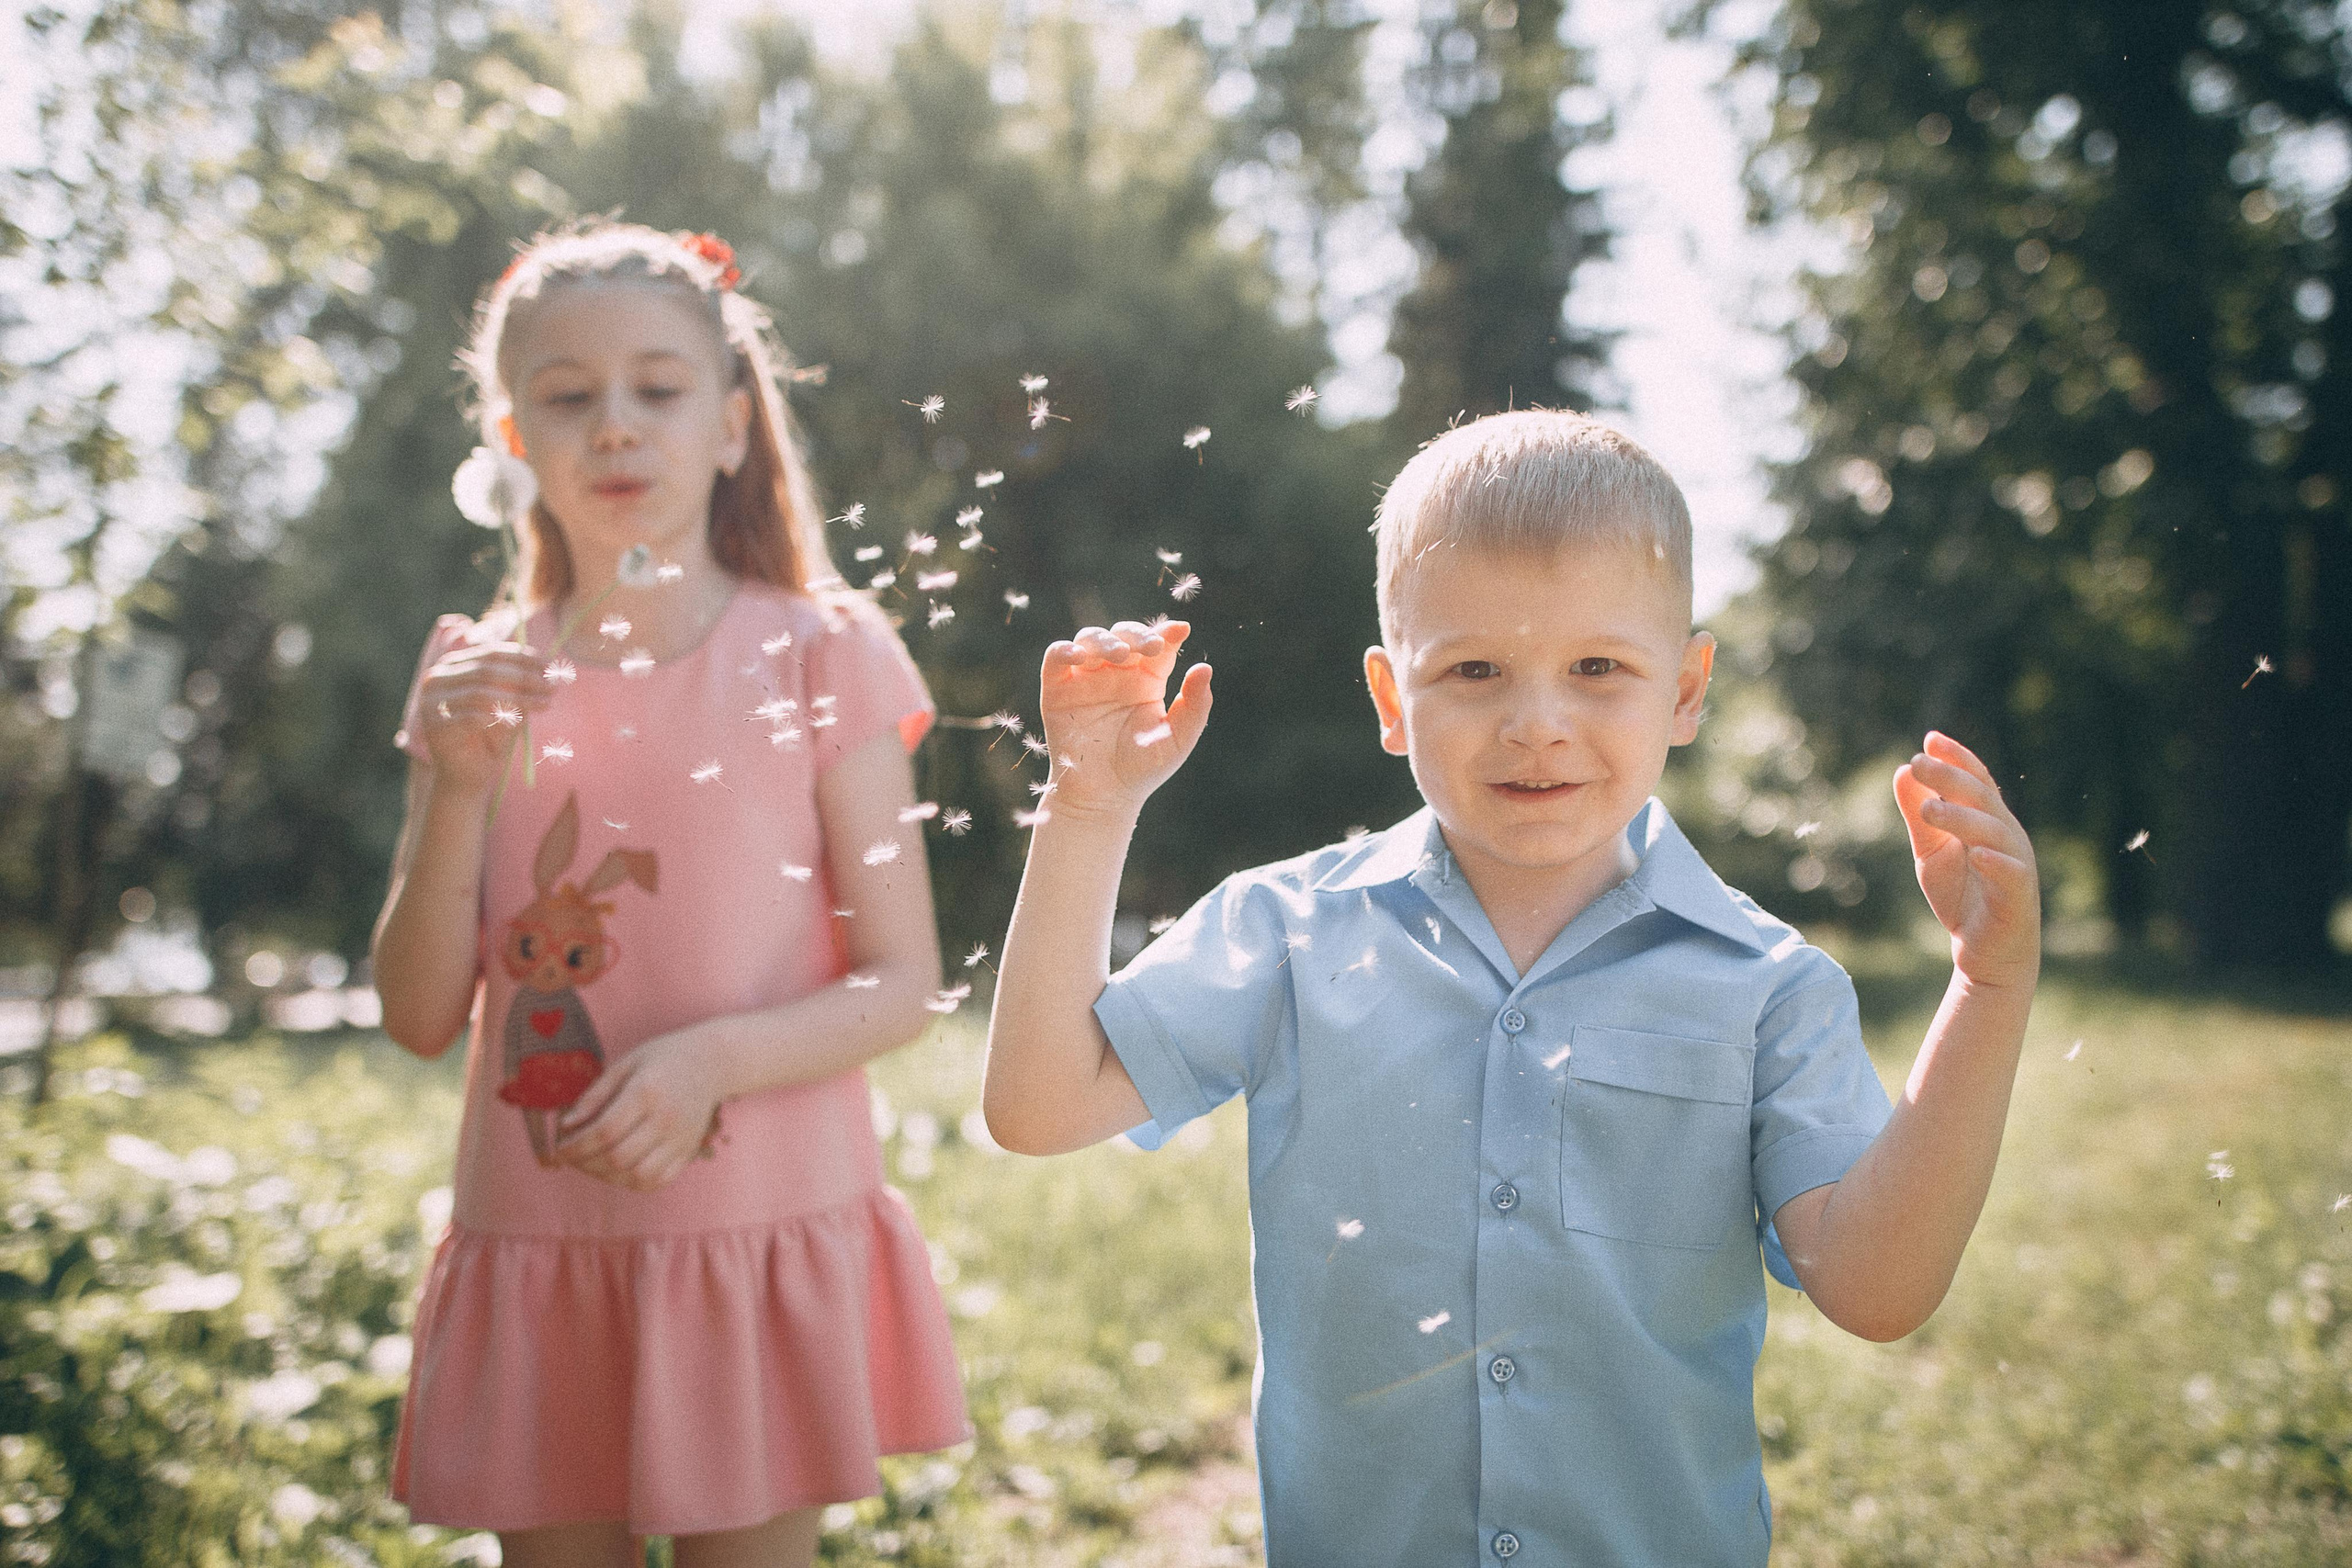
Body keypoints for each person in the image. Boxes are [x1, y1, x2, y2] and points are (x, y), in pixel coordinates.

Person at [982, 410, 2041, 1565]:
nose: (1537, 722)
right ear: (1392, 700)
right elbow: (1039, 1106)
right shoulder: (1285, 933)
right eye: (1474, 669)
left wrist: (1985, 988)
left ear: (1685, 690)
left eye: (1598, 668)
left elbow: (1877, 1289)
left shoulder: (1763, 986)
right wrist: (1086, 809)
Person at [371, 221, 968, 1568]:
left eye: (660, 386)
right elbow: (416, 1014)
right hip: (545, 1243)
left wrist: (711, 1061)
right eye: (569, 395)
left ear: (733, 424)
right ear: (513, 436)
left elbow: (902, 977)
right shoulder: (475, 675)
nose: (616, 426)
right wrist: (457, 782)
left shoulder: (824, 653)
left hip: (748, 1238)